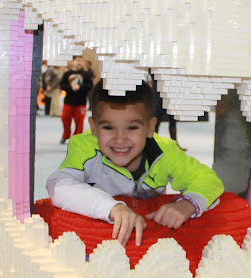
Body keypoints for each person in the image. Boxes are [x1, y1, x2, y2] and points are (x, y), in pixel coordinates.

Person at [46, 80, 224, 246]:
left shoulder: (165, 151)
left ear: (150, 127)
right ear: (93, 127)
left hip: (149, 242)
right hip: (100, 242)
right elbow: (58, 185)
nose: (120, 139)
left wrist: (186, 204)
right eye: (108, 127)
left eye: (132, 128)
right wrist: (111, 207)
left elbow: (208, 180)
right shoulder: (84, 148)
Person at [59, 56, 93, 143]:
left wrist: (80, 87)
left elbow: (90, 85)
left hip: (81, 102)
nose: (79, 62)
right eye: (77, 60)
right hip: (68, 101)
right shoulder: (67, 73)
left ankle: (76, 138)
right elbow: (62, 85)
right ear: (72, 62)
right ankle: (66, 135)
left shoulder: (86, 74)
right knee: (65, 119)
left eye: (81, 61)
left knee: (79, 122)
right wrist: (71, 88)